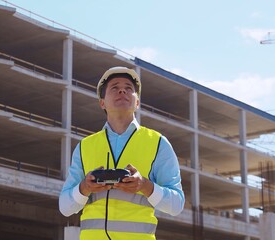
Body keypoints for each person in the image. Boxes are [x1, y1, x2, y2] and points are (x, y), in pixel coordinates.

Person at [59, 66, 185, 240]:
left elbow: (176, 204)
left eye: (128, 88)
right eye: (115, 88)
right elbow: (65, 207)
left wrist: (144, 185)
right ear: (102, 102)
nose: (122, 91)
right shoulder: (85, 146)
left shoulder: (157, 143)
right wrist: (85, 188)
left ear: (137, 102)